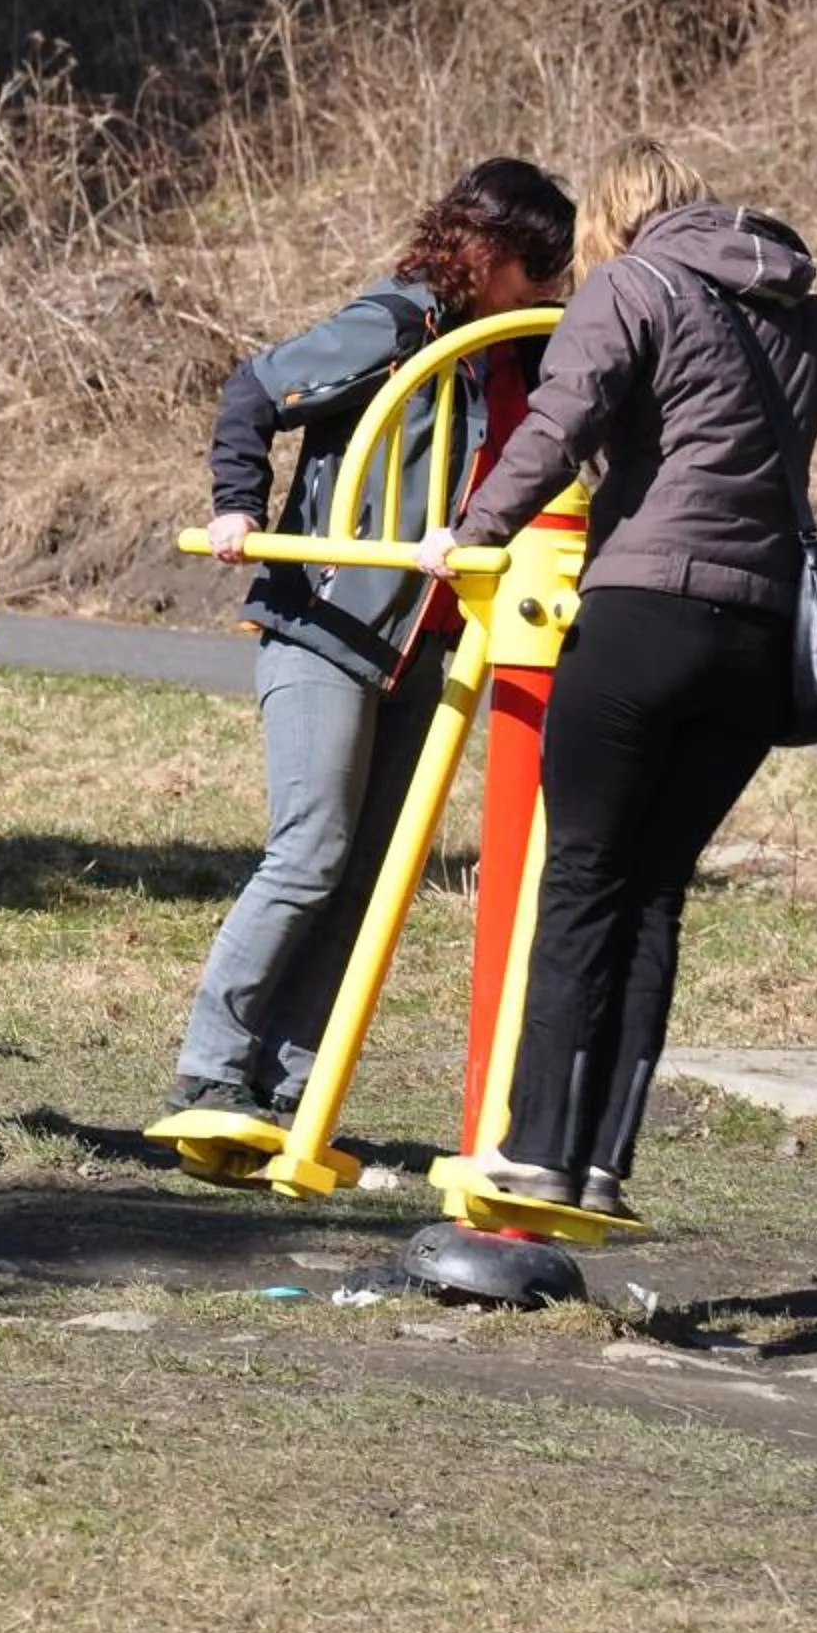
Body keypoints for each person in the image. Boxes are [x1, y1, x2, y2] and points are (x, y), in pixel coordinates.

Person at [419, 139, 817, 1217]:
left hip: (644, 617)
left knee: (585, 882)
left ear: (613, 221)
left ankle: (536, 1153)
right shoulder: (797, 305)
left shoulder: (632, 285)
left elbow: (560, 424)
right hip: (756, 646)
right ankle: (604, 1166)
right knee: (655, 893)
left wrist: (473, 531)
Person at [162, 158, 577, 1129]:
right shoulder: (400, 325)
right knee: (312, 850)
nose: (552, 289)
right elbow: (253, 392)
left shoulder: (513, 351)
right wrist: (237, 506)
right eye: (539, 267)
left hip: (434, 645)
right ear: (489, 253)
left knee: (371, 870)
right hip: (331, 624)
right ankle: (210, 1063)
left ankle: (290, 1082)